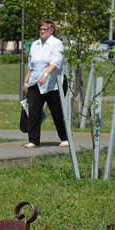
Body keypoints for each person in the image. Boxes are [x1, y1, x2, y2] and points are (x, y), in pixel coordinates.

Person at [23, 19, 69, 148]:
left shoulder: (56, 43)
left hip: (53, 82)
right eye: (40, 29)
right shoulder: (35, 44)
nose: (42, 32)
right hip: (36, 82)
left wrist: (45, 75)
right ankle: (33, 140)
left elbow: (56, 62)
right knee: (33, 110)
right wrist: (26, 80)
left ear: (51, 30)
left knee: (57, 111)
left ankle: (65, 137)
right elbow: (31, 64)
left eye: (45, 29)